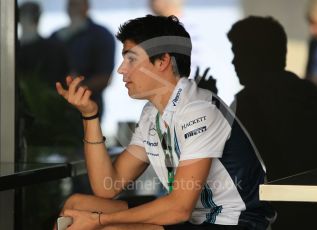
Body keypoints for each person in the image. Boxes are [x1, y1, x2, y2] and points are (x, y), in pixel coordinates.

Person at [55, 15, 274, 230]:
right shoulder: (153, 113)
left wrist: (100, 221)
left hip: (237, 222)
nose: (121, 69)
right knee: (77, 205)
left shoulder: (198, 109)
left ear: (162, 61)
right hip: (195, 219)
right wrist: (90, 115)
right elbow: (107, 186)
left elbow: (179, 208)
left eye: (131, 59)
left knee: (106, 227)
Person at [227, 16, 317, 230]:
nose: (233, 62)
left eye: (237, 52)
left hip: (277, 216)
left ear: (255, 56)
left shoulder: (248, 103)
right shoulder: (308, 92)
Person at [51, 0, 115, 118]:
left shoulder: (101, 35)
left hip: (89, 105)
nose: (72, 8)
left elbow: (105, 77)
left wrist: (78, 89)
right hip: (57, 107)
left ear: (86, 6)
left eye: (76, 4)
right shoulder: (57, 36)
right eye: (70, 4)